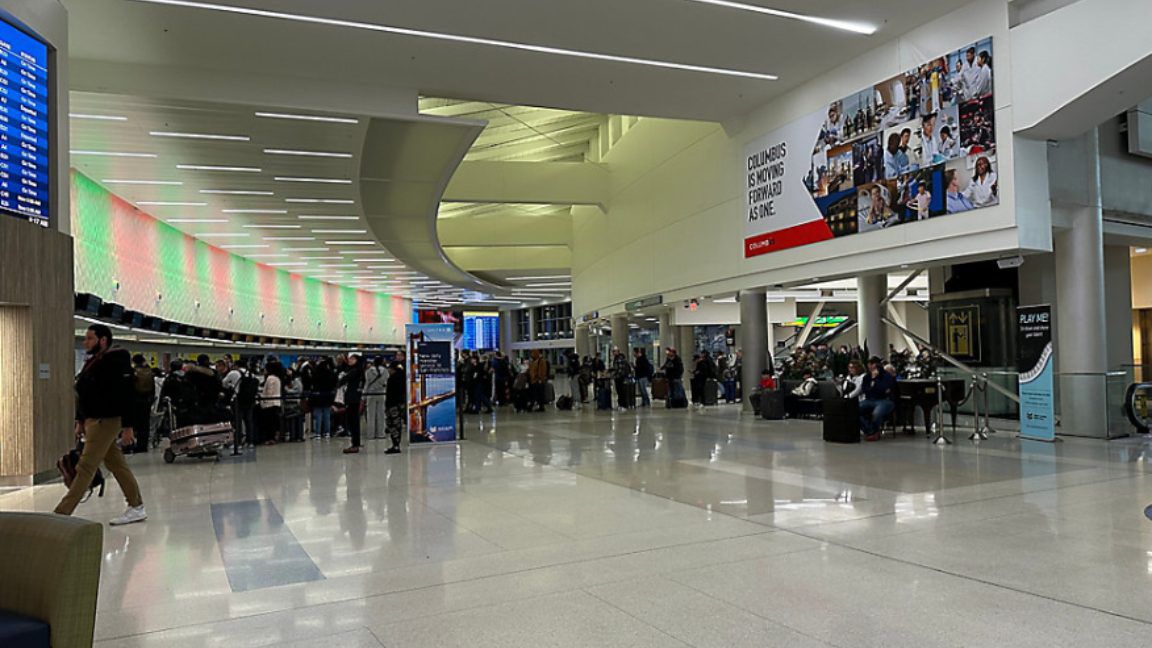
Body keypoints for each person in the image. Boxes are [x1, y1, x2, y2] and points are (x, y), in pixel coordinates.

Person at [54, 324, 146, 525]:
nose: (85, 342)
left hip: (106, 421)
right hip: (93, 421)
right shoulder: (94, 362)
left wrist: (128, 427)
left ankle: (61, 514)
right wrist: (80, 420)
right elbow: (85, 394)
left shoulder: (115, 362)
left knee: (85, 466)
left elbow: (127, 396)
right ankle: (136, 506)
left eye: (89, 338)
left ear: (103, 340)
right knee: (116, 464)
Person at [859, 358, 897, 441]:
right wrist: (873, 384)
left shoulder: (886, 376)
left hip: (885, 400)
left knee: (877, 413)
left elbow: (885, 389)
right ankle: (870, 430)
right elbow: (865, 390)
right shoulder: (867, 377)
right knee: (855, 409)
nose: (870, 368)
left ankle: (873, 431)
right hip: (870, 399)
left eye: (871, 366)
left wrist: (875, 380)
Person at [129, 354, 155, 454]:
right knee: (145, 424)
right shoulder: (149, 371)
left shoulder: (134, 372)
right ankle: (143, 445)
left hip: (136, 400)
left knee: (136, 423)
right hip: (147, 400)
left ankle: (134, 444)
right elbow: (152, 388)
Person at [340, 354, 366, 453]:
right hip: (355, 398)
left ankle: (355, 444)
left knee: (352, 421)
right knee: (354, 421)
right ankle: (356, 442)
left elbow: (344, 380)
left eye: (352, 359)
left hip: (352, 398)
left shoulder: (355, 371)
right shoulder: (359, 371)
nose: (350, 360)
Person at [258, 360, 284, 446]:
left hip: (269, 403)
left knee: (269, 423)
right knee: (274, 422)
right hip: (276, 402)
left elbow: (269, 392)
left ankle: (270, 438)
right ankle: (273, 437)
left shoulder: (270, 378)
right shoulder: (277, 378)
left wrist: (262, 397)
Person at [384, 357, 406, 455]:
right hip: (400, 404)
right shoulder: (403, 377)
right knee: (397, 424)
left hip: (392, 404)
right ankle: (396, 444)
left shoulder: (392, 379)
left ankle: (395, 444)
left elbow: (390, 393)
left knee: (393, 424)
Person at [363, 356, 388, 439]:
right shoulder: (385, 371)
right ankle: (381, 433)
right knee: (381, 414)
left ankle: (371, 434)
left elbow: (367, 383)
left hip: (371, 394)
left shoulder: (369, 371)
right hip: (382, 393)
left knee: (370, 415)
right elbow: (386, 382)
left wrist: (364, 395)